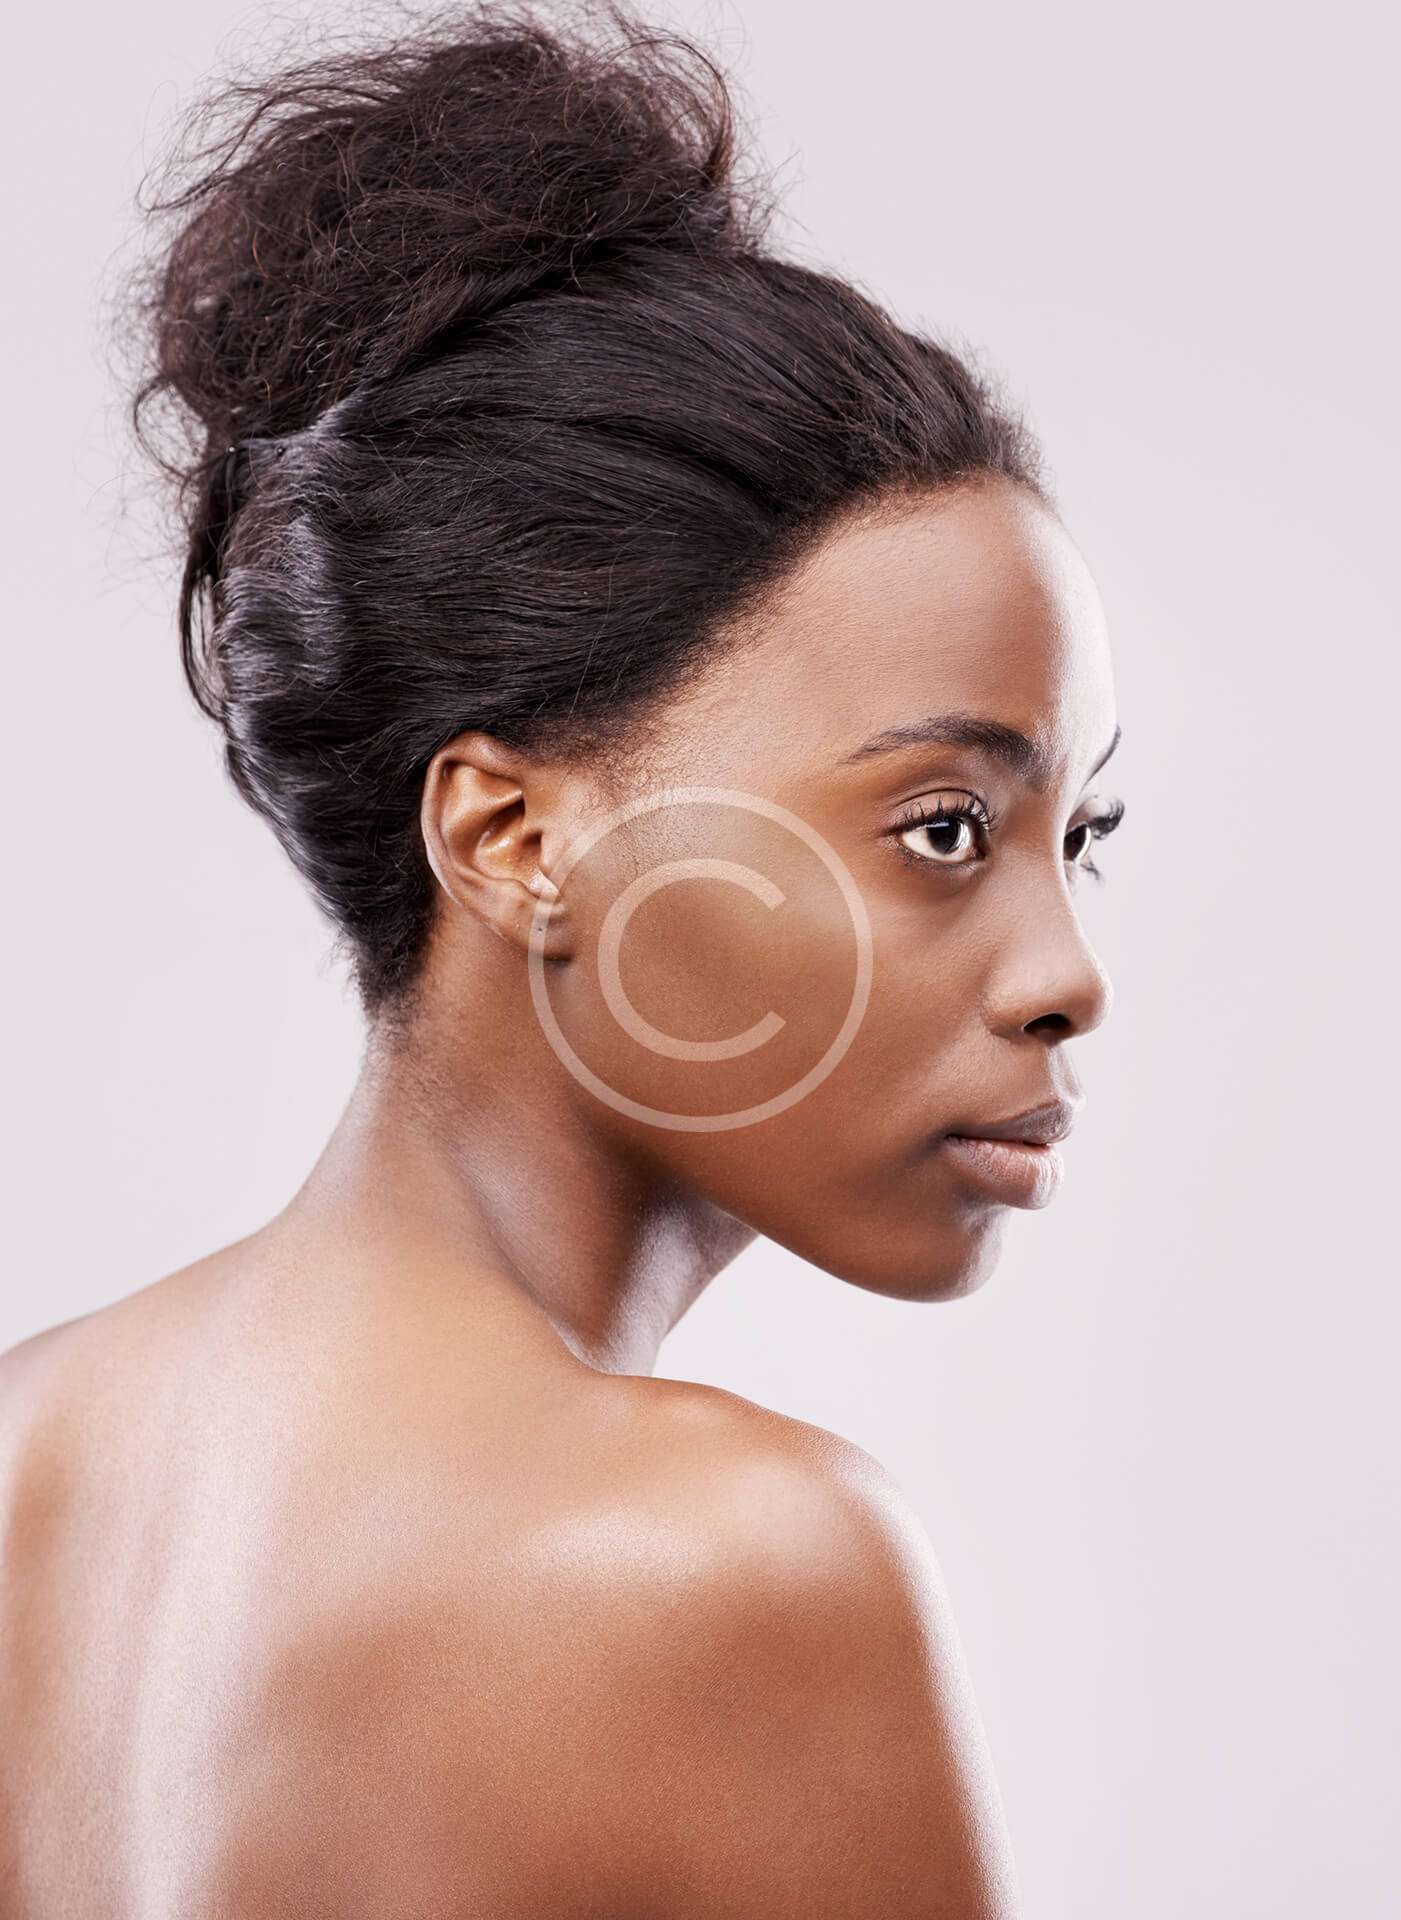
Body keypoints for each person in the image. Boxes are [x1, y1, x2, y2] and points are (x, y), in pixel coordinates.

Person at [0, 2, 1126, 1911]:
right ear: (513, 841)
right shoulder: (733, 1554)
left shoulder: (29, 1450)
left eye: (1079, 835)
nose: (1068, 974)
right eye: (942, 827)